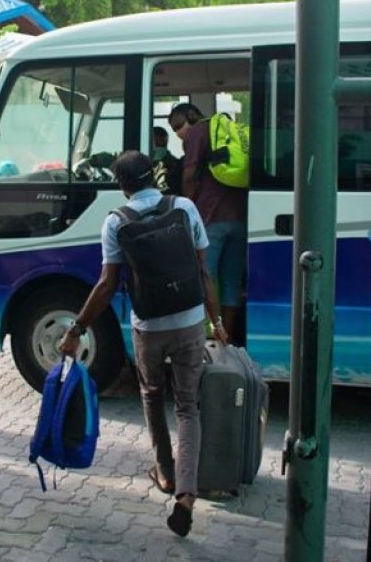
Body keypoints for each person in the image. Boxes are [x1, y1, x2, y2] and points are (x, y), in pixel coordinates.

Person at [57, 150, 228, 538]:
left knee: (152, 396)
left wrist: (77, 328)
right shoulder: (184, 207)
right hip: (189, 320)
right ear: (155, 176)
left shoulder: (116, 221)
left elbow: (106, 285)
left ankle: (164, 474)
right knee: (188, 407)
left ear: (122, 184)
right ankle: (186, 493)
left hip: (148, 326)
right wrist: (215, 321)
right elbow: (204, 270)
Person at [168, 102, 248, 344]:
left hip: (211, 217)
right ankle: (227, 336)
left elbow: (190, 173)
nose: (178, 133)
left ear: (192, 116)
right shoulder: (224, 130)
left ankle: (209, 335)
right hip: (239, 218)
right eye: (174, 130)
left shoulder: (197, 132)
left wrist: (185, 206)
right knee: (231, 281)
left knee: (206, 277)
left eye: (178, 125)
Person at [151, 126, 182, 195]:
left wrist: (156, 162)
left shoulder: (174, 164)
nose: (158, 147)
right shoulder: (143, 163)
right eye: (156, 143)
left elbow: (162, 186)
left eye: (160, 144)